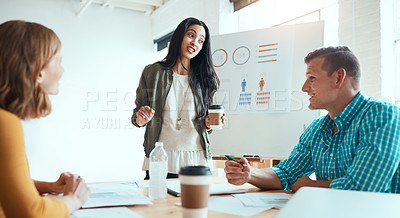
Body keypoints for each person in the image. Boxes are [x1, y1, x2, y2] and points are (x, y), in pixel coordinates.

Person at [225, 46, 400, 193]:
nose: (304, 88)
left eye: (312, 78)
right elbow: (286, 174)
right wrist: (249, 174)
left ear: (339, 77)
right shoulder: (318, 128)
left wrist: (311, 186)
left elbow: (363, 188)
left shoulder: (382, 114)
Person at [0, 20, 91, 217]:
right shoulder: (5, 123)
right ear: (39, 72)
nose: (62, 70)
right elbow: (30, 213)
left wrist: (49, 186)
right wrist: (73, 200)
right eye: (58, 61)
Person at [131, 17, 225, 179]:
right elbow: (137, 115)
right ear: (179, 36)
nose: (195, 43)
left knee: (196, 204)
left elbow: (204, 123)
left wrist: (209, 124)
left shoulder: (205, 78)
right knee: (158, 203)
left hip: (197, 158)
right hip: (160, 156)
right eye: (191, 35)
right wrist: (140, 119)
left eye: (201, 41)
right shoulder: (152, 72)